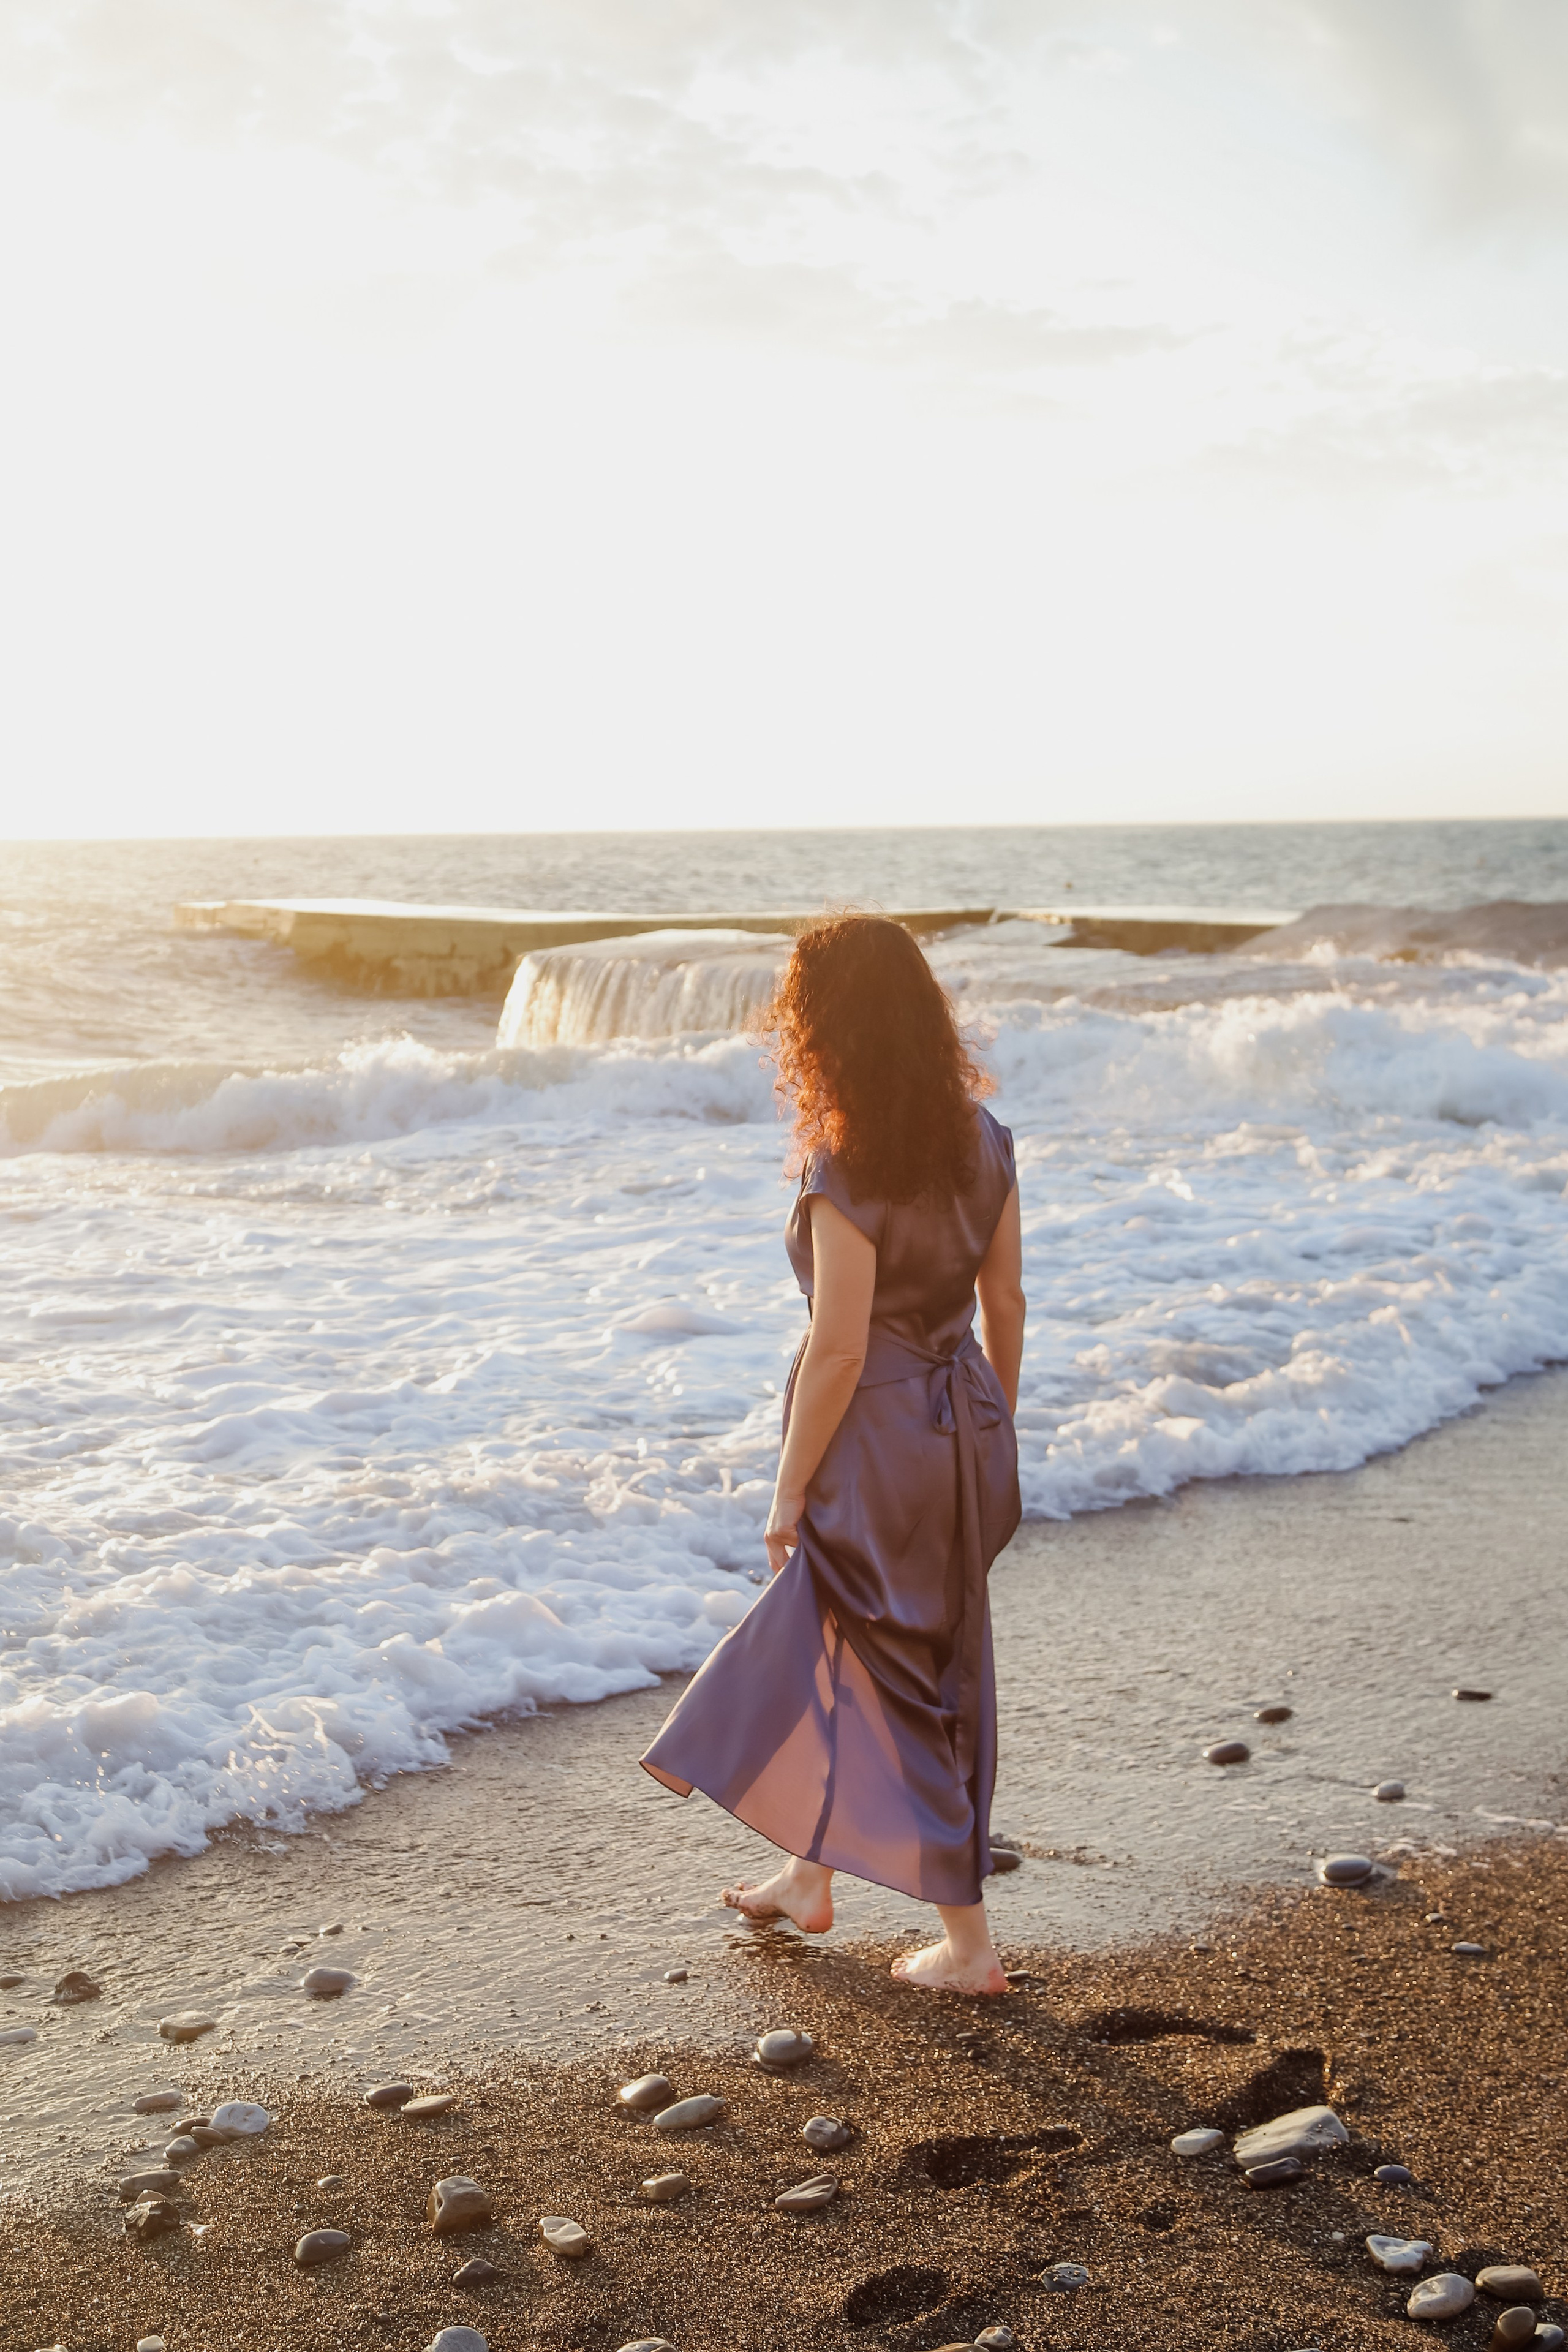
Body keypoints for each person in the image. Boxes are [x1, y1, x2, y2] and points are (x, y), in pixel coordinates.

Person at [641, 913, 1026, 1995]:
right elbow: (1007, 1299)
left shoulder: (845, 1158)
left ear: (826, 1028)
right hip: (966, 1427)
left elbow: (842, 1345)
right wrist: (999, 1419)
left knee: (904, 1671)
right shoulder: (981, 1135)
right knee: (863, 1636)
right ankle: (807, 1874)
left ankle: (968, 1944)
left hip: (883, 1444)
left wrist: (788, 1488)